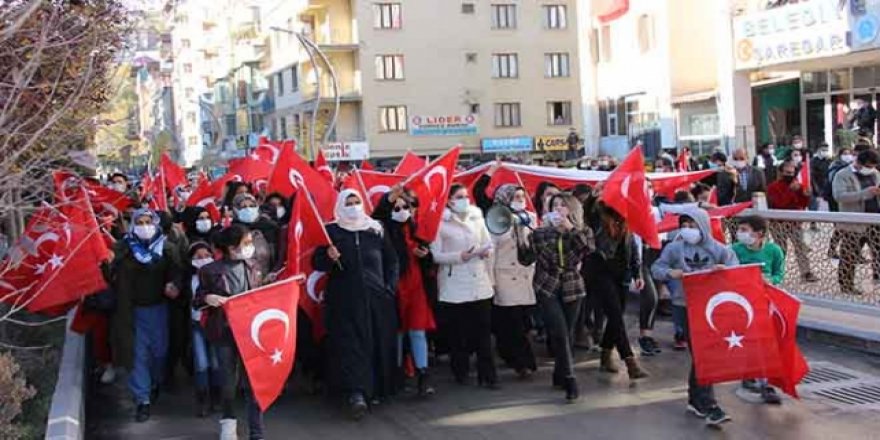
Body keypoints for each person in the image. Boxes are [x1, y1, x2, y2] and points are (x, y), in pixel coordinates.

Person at [314, 190, 400, 419]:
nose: (353, 206)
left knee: (377, 342)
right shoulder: (331, 231)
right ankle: (356, 393)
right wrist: (328, 256)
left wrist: (389, 287)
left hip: (377, 299)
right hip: (345, 300)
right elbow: (317, 262)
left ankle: (379, 389)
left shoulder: (376, 229)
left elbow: (391, 261)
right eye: (348, 203)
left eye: (356, 202)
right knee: (351, 346)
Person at [652, 207, 738, 426]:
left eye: (692, 225)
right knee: (701, 353)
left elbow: (737, 271)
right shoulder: (674, 248)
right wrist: (671, 273)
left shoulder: (719, 249)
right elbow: (656, 268)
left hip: (711, 306)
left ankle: (696, 399)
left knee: (703, 353)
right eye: (684, 225)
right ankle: (709, 405)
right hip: (684, 305)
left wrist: (724, 271)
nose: (688, 230)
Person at [110, 208, 181, 422]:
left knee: (159, 352)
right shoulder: (123, 249)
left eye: (147, 221)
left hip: (160, 310)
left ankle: (156, 382)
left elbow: (178, 271)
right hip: (132, 312)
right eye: (139, 222)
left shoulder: (167, 249)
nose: (143, 226)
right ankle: (143, 400)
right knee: (138, 355)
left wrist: (174, 284)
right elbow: (111, 275)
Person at [194, 225, 265, 438]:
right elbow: (197, 300)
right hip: (224, 333)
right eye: (246, 243)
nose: (250, 247)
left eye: (250, 243)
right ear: (232, 247)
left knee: (253, 383)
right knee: (228, 383)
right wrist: (208, 298)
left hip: (250, 332)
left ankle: (256, 431)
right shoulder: (210, 270)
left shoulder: (253, 266)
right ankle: (228, 424)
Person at [430, 184, 498, 389]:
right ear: (449, 200)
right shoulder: (441, 223)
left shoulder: (477, 216)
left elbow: (489, 241)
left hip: (479, 281)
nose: (464, 200)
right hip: (454, 283)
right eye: (459, 197)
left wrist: (486, 251)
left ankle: (488, 375)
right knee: (458, 333)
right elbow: (436, 255)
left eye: (466, 196)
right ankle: (460, 370)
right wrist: (460, 256)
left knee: (483, 332)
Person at [373, 185, 437, 397]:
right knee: (397, 333)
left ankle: (423, 374)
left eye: (405, 207)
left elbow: (430, 261)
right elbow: (378, 214)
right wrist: (390, 198)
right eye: (396, 208)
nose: (401, 211)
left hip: (417, 288)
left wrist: (424, 255)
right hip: (395, 287)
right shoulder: (384, 231)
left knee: (418, 331)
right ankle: (397, 373)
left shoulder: (417, 231)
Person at [530, 193, 595, 401]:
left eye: (562, 206)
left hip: (572, 286)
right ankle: (570, 378)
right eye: (554, 206)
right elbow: (536, 257)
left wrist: (570, 230)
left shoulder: (582, 231)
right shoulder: (540, 233)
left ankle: (559, 373)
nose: (558, 209)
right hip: (547, 285)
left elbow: (587, 249)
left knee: (567, 332)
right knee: (558, 332)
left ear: (572, 209)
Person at [584, 203, 649, 379]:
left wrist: (637, 273)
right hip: (601, 272)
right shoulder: (600, 219)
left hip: (622, 275)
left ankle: (605, 355)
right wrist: (593, 198)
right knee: (616, 316)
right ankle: (630, 362)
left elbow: (632, 248)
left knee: (616, 316)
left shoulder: (627, 221)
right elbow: (589, 213)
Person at [731, 215, 785, 405]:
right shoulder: (734, 250)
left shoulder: (774, 251)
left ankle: (766, 383)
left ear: (759, 233)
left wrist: (771, 281)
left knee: (764, 342)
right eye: (740, 230)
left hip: (765, 303)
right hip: (741, 304)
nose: (740, 234)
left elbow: (779, 274)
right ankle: (750, 375)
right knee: (749, 341)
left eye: (745, 230)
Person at [488, 185, 538, 379]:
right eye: (515, 197)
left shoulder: (530, 218)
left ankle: (512, 355)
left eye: (521, 196)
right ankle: (523, 361)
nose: (519, 199)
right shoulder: (497, 218)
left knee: (524, 320)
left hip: (525, 273)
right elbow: (492, 251)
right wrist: (491, 280)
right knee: (513, 320)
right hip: (505, 275)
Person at [832, 149, 880, 295]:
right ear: (859, 163)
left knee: (877, 252)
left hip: (875, 220)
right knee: (849, 255)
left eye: (873, 166)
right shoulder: (843, 175)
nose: (871, 169)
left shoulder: (875, 174)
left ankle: (877, 276)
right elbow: (839, 196)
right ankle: (846, 285)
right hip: (854, 221)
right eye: (869, 166)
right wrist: (864, 194)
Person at [185, 241, 222, 417]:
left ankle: (216, 398)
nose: (203, 259)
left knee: (215, 363)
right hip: (196, 324)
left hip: (214, 324)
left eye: (206, 256)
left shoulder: (218, 275)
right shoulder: (188, 278)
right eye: (198, 257)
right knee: (201, 363)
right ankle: (202, 399)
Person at [766, 160, 818, 282]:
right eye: (787, 172)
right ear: (781, 172)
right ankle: (777, 272)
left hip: (795, 222)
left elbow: (802, 204)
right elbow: (779, 203)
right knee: (780, 249)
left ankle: (806, 273)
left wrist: (805, 194)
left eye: (792, 172)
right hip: (779, 223)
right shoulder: (773, 187)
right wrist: (791, 190)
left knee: (801, 247)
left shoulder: (797, 185)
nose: (789, 175)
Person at [231, 193, 278, 279]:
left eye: (252, 206)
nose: (248, 209)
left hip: (272, 277)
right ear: (235, 210)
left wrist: (274, 271)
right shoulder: (232, 232)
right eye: (243, 207)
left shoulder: (270, 227)